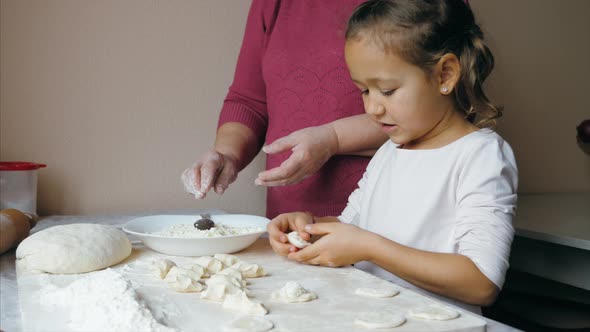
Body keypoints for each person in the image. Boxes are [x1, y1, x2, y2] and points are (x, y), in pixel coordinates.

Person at [267, 0, 518, 313]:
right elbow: (352, 229)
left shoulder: (480, 156)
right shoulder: (390, 150)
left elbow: (481, 283)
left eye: (386, 90)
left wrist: (368, 247)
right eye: (364, 91)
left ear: (445, 75)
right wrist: (308, 229)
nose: (373, 108)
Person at [181, 0, 389, 219]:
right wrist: (226, 154)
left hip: (379, 219)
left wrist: (332, 140)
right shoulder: (271, 4)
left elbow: (423, 113)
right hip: (289, 222)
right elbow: (249, 100)